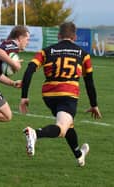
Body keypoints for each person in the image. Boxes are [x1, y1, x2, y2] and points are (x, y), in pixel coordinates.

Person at [19, 22, 102, 167]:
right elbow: (89, 82)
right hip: (68, 94)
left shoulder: (46, 51)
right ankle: (35, 134)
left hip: (49, 95)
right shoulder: (84, 55)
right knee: (62, 128)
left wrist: (24, 96)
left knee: (68, 125)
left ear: (58, 36)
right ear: (75, 37)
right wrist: (94, 104)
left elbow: (29, 70)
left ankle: (79, 155)